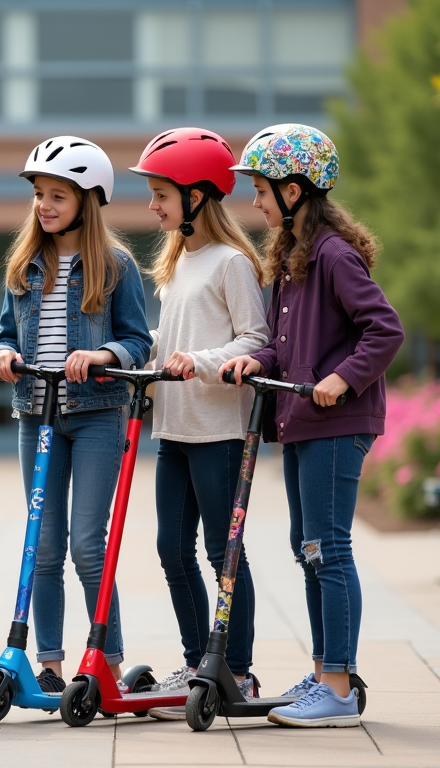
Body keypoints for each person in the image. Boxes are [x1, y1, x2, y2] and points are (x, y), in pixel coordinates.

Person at [221, 123, 404, 727]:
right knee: (309, 550)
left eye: (261, 188)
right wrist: (256, 360)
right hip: (302, 420)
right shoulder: (291, 258)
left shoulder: (332, 254)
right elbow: (282, 346)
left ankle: (339, 688)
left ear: (294, 191)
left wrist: (342, 378)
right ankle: (328, 669)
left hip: (336, 419)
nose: (255, 200)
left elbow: (385, 328)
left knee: (328, 549)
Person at [0, 136, 152, 692]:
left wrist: (103, 355)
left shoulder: (117, 266)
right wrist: (3, 358)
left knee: (87, 542)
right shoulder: (25, 266)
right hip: (37, 413)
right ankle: (51, 665)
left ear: (89, 199)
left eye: (58, 195)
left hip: (98, 412)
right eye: (38, 194)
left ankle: (106, 657)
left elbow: (137, 340)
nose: (44, 205)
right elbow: (2, 339)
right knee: (45, 544)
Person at [126, 128, 270, 720]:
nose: (153, 205)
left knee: (222, 551)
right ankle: (196, 660)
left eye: (162, 194)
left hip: (217, 429)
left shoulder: (232, 262)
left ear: (197, 196)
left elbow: (254, 339)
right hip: (175, 427)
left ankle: (238, 670)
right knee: (169, 549)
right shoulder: (179, 260)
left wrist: (200, 362)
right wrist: (139, 353)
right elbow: (172, 340)